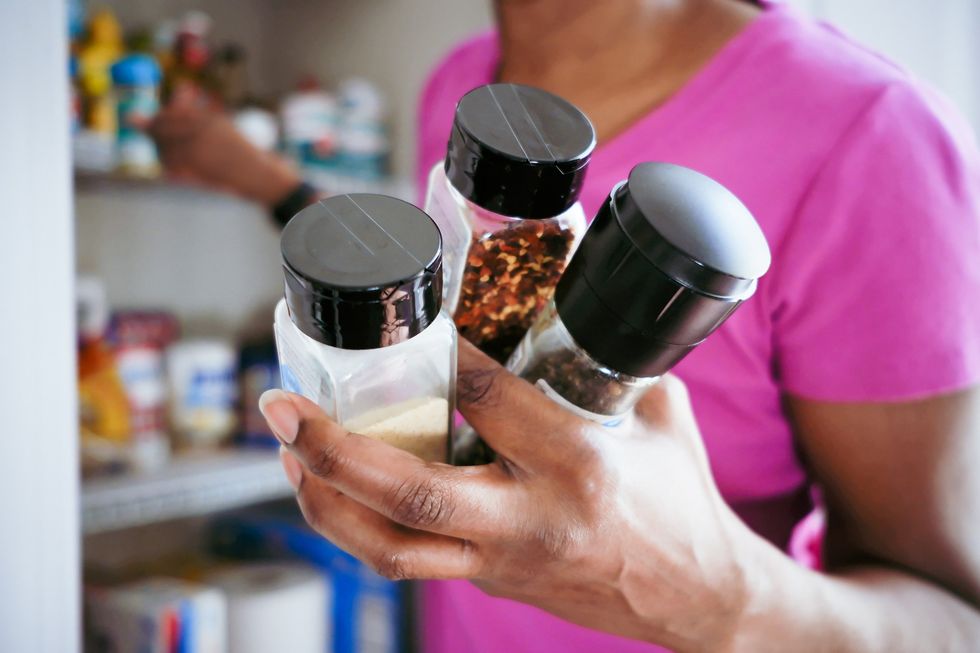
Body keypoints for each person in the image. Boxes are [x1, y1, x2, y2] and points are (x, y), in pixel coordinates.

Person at [151, 0, 980, 650]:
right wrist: (276, 190)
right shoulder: (465, 81)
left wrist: (715, 599)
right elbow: (434, 288)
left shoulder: (873, 133)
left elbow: (953, 621)